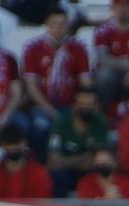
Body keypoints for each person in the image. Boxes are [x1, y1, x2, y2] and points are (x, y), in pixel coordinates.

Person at [20, 8, 93, 155]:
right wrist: (52, 112)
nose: (59, 28)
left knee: (81, 126)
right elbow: (32, 88)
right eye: (55, 24)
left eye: (63, 24)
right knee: (41, 127)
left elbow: (85, 82)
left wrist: (83, 108)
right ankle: (41, 166)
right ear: (47, 24)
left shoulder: (78, 48)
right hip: (41, 106)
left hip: (69, 105)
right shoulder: (33, 48)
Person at [48, 87, 111, 197]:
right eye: (82, 104)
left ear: (97, 106)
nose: (86, 108)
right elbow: (53, 163)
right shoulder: (62, 123)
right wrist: (82, 158)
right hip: (66, 173)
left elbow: (98, 159)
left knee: (102, 172)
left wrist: (66, 161)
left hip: (90, 172)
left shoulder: (101, 122)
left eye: (91, 104)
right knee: (58, 175)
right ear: (74, 106)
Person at [0, 124, 53, 199]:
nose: (13, 147)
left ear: (24, 143)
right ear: (2, 144)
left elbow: (42, 203)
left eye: (16, 143)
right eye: (9, 143)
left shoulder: (39, 174)